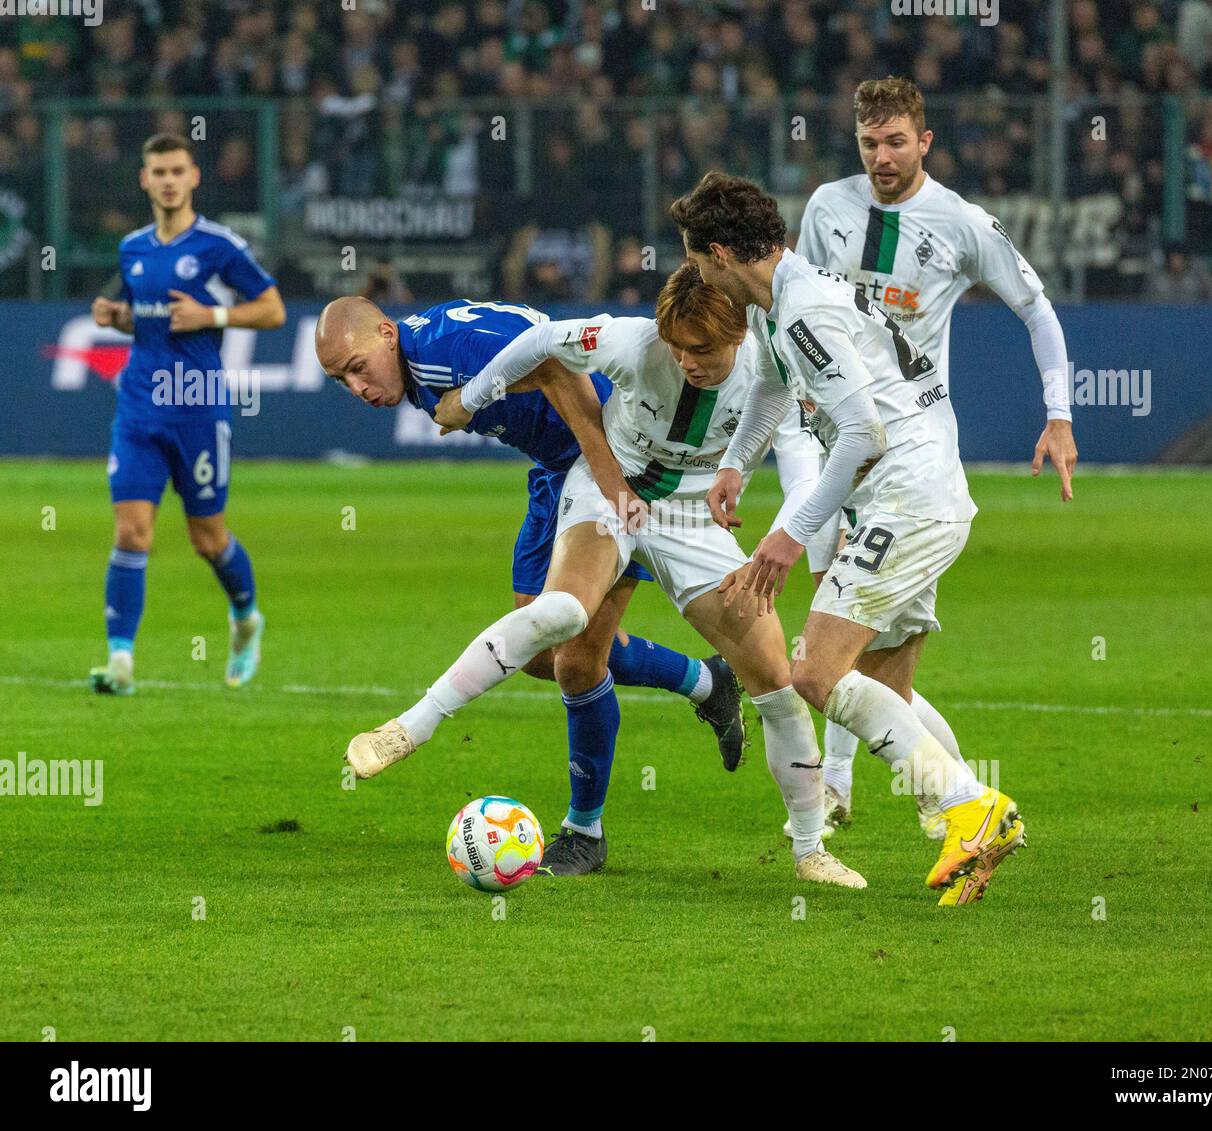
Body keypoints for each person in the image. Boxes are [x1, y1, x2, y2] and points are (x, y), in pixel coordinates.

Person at [406, 265, 867, 887]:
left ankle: (810, 850)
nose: (687, 361)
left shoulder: (773, 371)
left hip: (694, 521)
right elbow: (542, 344)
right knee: (565, 632)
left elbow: (804, 472)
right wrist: (471, 397)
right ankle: (415, 727)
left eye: (703, 349)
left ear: (737, 333)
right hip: (607, 496)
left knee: (779, 686)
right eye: (678, 345)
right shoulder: (634, 340)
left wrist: (785, 537)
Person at [672, 171, 1025, 905]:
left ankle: (969, 805)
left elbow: (863, 433)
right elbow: (772, 387)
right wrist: (735, 463)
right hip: (918, 491)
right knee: (886, 683)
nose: (700, 279)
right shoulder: (779, 300)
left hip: (907, 496)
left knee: (814, 672)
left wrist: (788, 537)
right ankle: (980, 821)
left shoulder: (804, 308)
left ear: (718, 253)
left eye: (700, 265)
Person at [314, 295, 745, 868]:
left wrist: (613, 482)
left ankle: (584, 833)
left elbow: (556, 365)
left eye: (357, 368)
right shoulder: (417, 359)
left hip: (622, 458)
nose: (357, 388)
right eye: (341, 380)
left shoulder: (449, 352)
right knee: (542, 653)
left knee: (576, 661)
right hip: (556, 471)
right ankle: (706, 682)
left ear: (387, 334)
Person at [795, 76, 1078, 826]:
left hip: (913, 457)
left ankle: (952, 802)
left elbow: (1036, 307)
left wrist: (1059, 415)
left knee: (855, 663)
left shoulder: (960, 223)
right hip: (844, 446)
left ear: (924, 141)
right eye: (868, 143)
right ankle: (959, 805)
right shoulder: (827, 207)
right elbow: (809, 306)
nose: (881, 157)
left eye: (895, 142)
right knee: (873, 664)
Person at [89, 132, 285, 695]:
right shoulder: (133, 249)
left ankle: (246, 618)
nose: (169, 180)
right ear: (144, 180)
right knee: (132, 533)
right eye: (159, 171)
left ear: (194, 176)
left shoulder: (220, 245)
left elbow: (272, 310)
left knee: (208, 539)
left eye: (178, 170)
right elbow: (148, 319)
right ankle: (121, 663)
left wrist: (213, 317)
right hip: (138, 408)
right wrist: (118, 317)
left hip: (197, 405)